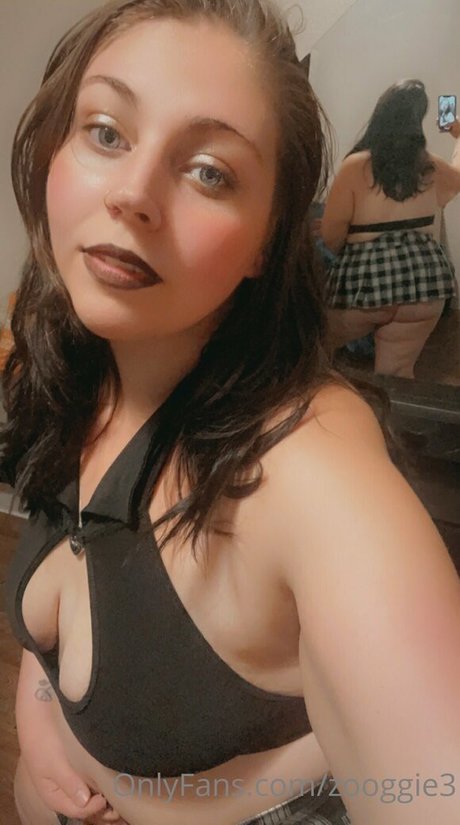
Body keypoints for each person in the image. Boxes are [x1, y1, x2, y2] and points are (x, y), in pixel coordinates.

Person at [2, 5, 460, 824]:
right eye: (106, 132)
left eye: (210, 171)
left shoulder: (308, 467)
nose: (133, 194)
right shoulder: (74, 361)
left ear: (266, 243)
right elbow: (57, 621)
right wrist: (41, 713)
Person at [321, 79, 460, 378]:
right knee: (395, 374)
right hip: (425, 282)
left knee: (317, 351)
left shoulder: (356, 166)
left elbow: (331, 236)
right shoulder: (431, 166)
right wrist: (459, 136)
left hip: (366, 281)